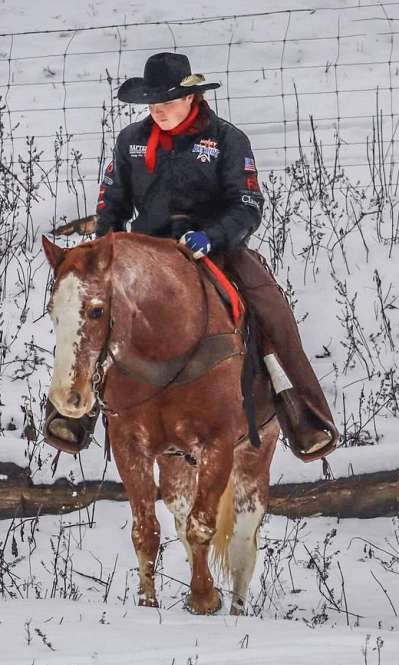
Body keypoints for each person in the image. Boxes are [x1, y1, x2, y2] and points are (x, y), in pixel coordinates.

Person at [76, 53, 338, 461]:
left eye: (165, 101)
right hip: (146, 251)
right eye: (152, 103)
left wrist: (212, 236)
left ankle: (299, 409)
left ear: (190, 98)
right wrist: (105, 248)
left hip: (213, 249)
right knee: (84, 308)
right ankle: (76, 409)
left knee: (269, 306)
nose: (157, 111)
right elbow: (113, 202)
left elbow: (248, 204)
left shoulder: (228, 140)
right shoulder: (130, 141)